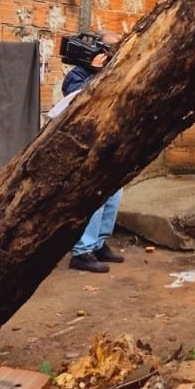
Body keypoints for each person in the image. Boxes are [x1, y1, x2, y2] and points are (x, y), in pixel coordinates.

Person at [55, 33, 125, 274]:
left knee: (113, 196)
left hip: (109, 144)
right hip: (88, 147)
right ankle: (82, 251)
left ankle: (98, 243)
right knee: (93, 198)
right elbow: (81, 101)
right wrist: (98, 73)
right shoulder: (77, 75)